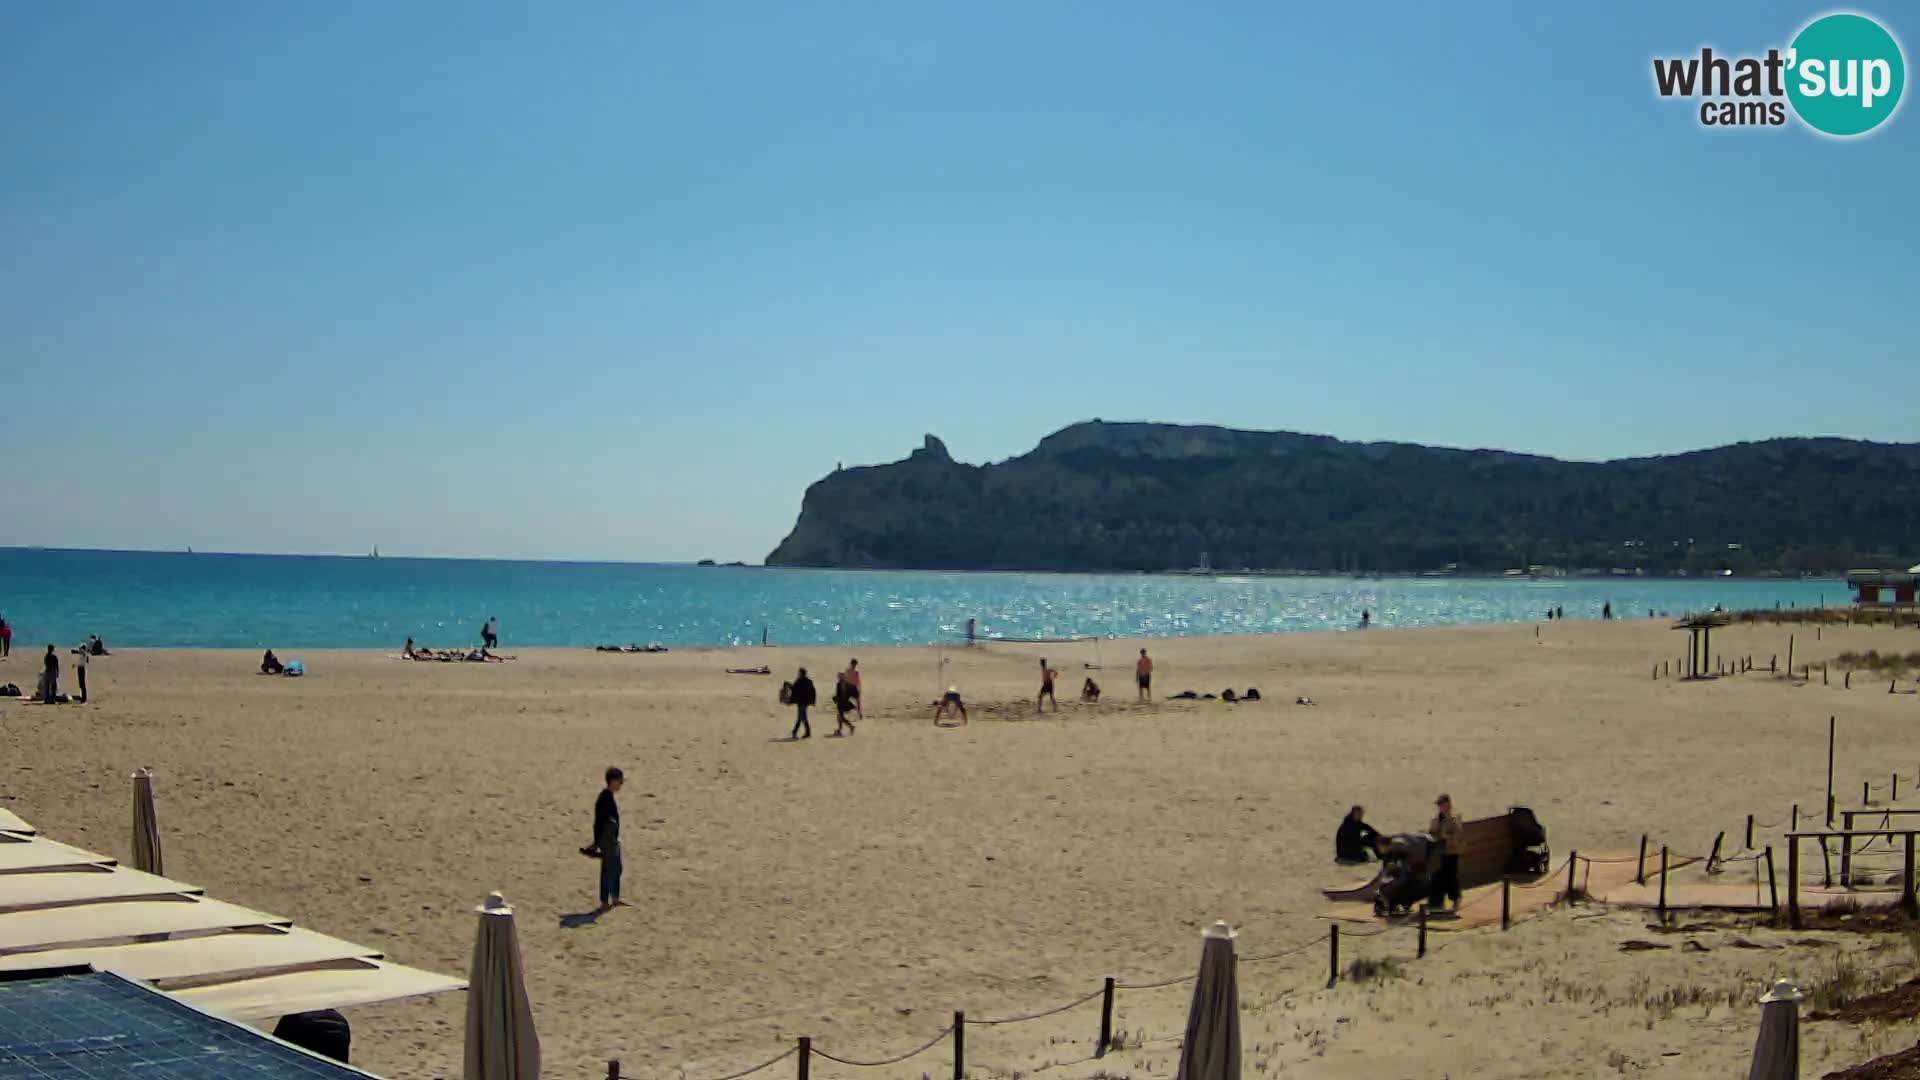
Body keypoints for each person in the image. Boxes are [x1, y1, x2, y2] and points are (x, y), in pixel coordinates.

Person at [589, 766, 625, 912]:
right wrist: (597, 842)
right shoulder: (604, 798)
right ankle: (607, 901)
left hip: (611, 839)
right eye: (620, 781)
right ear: (613, 781)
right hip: (607, 840)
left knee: (614, 869)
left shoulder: (607, 796)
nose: (621, 784)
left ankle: (612, 899)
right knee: (611, 870)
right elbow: (598, 822)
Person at [1428, 794, 1463, 912]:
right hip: (1439, 853)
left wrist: (1445, 837)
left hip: (1451, 851)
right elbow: (1432, 834)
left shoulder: (1454, 818)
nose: (1440, 807)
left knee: (1451, 877)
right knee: (1437, 876)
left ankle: (1456, 900)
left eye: (1441, 804)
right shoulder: (1437, 818)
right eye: (1438, 805)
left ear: (1448, 804)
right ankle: (1437, 904)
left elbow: (1457, 835)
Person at [789, 667, 816, 738]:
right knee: (803, 717)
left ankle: (795, 732)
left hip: (804, 702)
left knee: (800, 717)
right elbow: (794, 689)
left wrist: (812, 701)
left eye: (799, 673)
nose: (798, 674)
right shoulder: (801, 681)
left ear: (802, 673)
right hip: (801, 702)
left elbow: (812, 692)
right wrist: (789, 685)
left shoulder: (806, 681)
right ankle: (807, 732)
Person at [832, 672, 857, 736]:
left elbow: (852, 694)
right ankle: (845, 728)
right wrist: (835, 699)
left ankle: (843, 729)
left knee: (840, 717)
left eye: (840, 676)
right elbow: (838, 694)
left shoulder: (848, 685)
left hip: (845, 703)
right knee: (840, 717)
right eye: (839, 676)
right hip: (841, 703)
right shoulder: (839, 684)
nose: (839, 678)